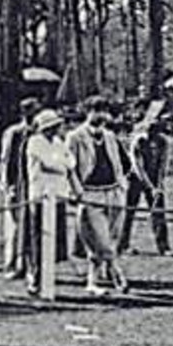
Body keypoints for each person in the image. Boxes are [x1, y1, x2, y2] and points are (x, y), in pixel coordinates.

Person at [68, 97, 128, 295]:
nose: (101, 115)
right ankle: (117, 273)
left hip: (114, 193)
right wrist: (77, 192)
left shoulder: (110, 136)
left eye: (104, 111)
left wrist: (122, 185)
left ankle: (92, 282)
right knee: (99, 239)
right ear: (88, 112)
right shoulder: (75, 137)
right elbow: (71, 168)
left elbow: (123, 164)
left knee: (110, 240)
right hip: (90, 195)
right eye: (96, 111)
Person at [24, 108, 78, 298]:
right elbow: (50, 163)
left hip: (58, 195)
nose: (56, 130)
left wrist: (63, 163)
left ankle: (47, 277)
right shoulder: (35, 142)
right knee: (38, 238)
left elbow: (71, 161)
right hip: (40, 195)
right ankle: (34, 277)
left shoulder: (58, 142)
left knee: (55, 240)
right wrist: (61, 163)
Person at [0, 97, 42, 281]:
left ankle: (30, 265)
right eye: (31, 111)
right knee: (14, 227)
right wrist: (8, 185)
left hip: (34, 185)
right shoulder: (14, 133)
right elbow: (7, 160)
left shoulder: (39, 134)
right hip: (18, 183)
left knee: (32, 226)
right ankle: (12, 264)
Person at [120, 105, 172, 257]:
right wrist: (150, 187)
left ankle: (164, 247)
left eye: (155, 131)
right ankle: (123, 245)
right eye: (149, 131)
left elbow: (163, 164)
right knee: (129, 212)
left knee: (158, 212)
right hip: (135, 179)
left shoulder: (163, 142)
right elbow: (138, 167)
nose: (151, 135)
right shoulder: (138, 142)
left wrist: (160, 185)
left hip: (154, 179)